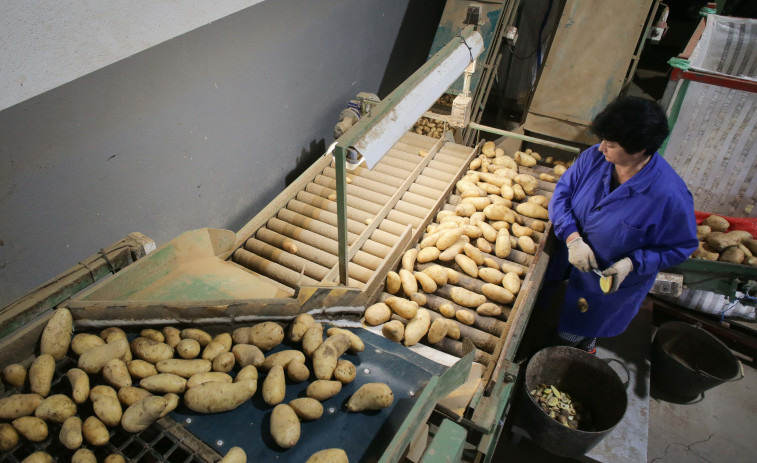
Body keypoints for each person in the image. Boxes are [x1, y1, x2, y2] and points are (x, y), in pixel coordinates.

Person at [546, 96, 699, 353]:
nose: (602, 147)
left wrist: (632, 264)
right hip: (568, 259)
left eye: (611, 144)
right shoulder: (593, 159)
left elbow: (679, 247)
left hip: (606, 282)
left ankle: (568, 351)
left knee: (576, 328)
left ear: (640, 149)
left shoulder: (669, 196)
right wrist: (572, 238)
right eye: (603, 139)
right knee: (552, 305)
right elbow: (562, 194)